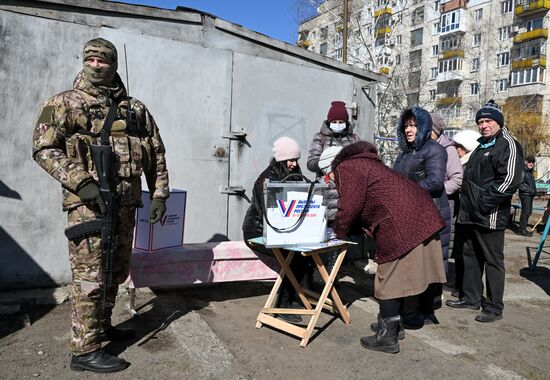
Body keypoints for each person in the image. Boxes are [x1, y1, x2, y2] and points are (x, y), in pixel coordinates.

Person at [32, 38, 169, 373]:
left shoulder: (135, 109)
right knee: (90, 277)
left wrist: (160, 194)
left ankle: (102, 327)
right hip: (88, 207)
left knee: (115, 272)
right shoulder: (64, 103)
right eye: (90, 60)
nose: (96, 65)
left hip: (125, 206)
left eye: (102, 61)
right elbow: (43, 148)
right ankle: (85, 350)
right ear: (83, 62)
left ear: (114, 65)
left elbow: (156, 154)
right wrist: (81, 181)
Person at [326, 141, 446, 354]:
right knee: (400, 276)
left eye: (328, 179)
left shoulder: (347, 168)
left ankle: (387, 336)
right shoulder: (368, 164)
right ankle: (394, 324)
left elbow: (349, 207)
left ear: (331, 168)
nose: (330, 183)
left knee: (388, 277)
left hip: (402, 223)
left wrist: (337, 232)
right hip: (422, 216)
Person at [447, 100, 523, 323]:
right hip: (470, 213)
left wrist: (483, 203)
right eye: (480, 122)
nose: (483, 125)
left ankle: (493, 306)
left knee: (492, 260)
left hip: (490, 214)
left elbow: (509, 181)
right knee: (470, 255)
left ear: (498, 122)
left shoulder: (507, 144)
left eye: (488, 121)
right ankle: (471, 298)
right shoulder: (483, 144)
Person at [393, 106, 451, 327]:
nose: (409, 129)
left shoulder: (434, 150)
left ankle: (413, 313)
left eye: (414, 125)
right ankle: (403, 312)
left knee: (419, 267)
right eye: (406, 125)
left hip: (428, 216)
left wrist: (406, 191)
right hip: (408, 214)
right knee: (407, 265)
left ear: (424, 126)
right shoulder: (405, 152)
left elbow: (436, 182)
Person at [242, 136, 309, 324]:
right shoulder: (266, 180)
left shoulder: (294, 174)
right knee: (291, 255)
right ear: (281, 159)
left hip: (284, 231)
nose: (295, 164)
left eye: (296, 160)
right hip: (257, 232)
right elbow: (270, 215)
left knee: (305, 256)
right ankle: (283, 304)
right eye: (291, 160)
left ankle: (298, 297)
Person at [307, 101, 360, 270]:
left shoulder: (354, 139)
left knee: (340, 237)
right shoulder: (320, 138)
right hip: (324, 193)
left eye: (341, 122)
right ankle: (319, 273)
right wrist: (325, 163)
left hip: (346, 194)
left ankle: (333, 276)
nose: (338, 125)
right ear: (329, 122)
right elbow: (311, 163)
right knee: (322, 237)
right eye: (334, 122)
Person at [449, 129, 481, 299]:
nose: (454, 149)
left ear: (465, 149)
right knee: (460, 253)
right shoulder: (462, 163)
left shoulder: (468, 165)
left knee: (467, 254)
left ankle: (465, 290)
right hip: (459, 214)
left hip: (466, 214)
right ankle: (459, 287)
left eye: (457, 147)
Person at [517, 156, 537, 237]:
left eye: (532, 162)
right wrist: (530, 190)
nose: (531, 163)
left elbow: (531, 184)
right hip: (525, 194)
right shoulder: (523, 171)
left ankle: (523, 228)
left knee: (529, 212)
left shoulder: (530, 172)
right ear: (525, 162)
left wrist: (534, 191)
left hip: (530, 195)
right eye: (529, 162)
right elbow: (520, 184)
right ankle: (521, 230)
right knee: (525, 212)